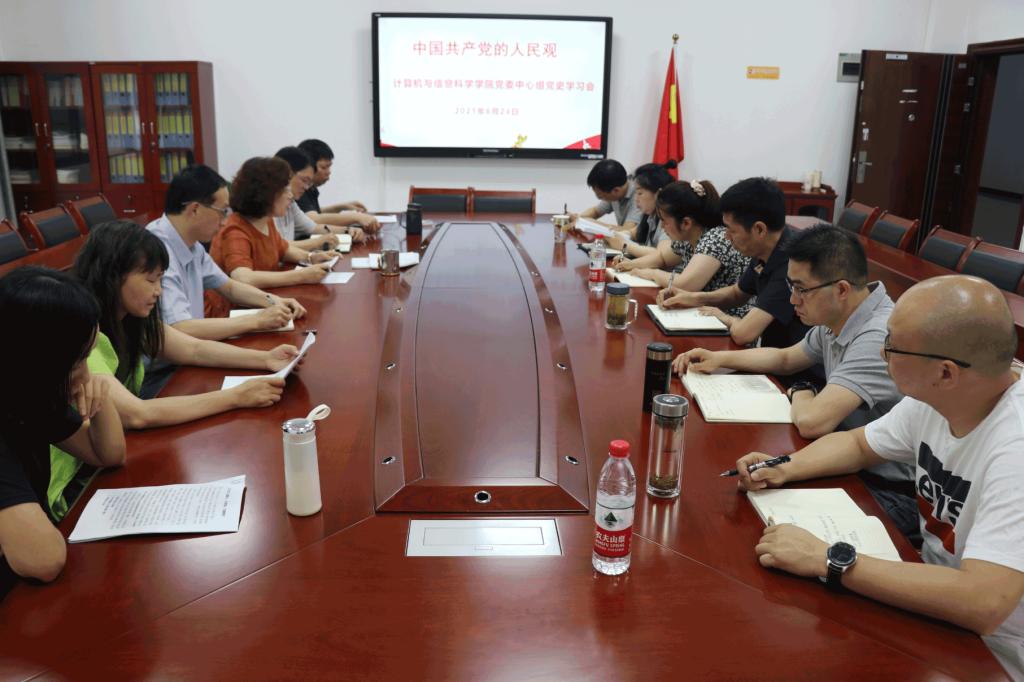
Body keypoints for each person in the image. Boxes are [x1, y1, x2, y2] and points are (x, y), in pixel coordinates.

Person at [736, 275, 1024, 679]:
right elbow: (858, 444)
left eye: (892, 346)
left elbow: (984, 601)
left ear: (945, 373)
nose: (881, 352)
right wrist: (782, 467)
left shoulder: (1014, 446)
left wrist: (825, 558)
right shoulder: (940, 397)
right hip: (930, 601)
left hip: (994, 653)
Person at [675, 224, 915, 537]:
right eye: (791, 287)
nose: (792, 300)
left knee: (751, 528)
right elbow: (787, 358)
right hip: (846, 459)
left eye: (801, 289)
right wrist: (720, 359)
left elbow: (813, 422)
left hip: (888, 489)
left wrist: (802, 390)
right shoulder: (842, 313)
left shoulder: (876, 335)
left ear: (842, 289)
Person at [0, 267, 126, 589]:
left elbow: (108, 454)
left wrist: (98, 396)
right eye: (76, 362)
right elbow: (43, 560)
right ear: (37, 361)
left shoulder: (30, 392)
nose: (85, 373)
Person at [146, 164, 308, 342]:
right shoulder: (155, 249)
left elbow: (228, 287)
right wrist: (256, 320)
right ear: (195, 209)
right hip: (176, 355)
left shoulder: (192, 245)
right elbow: (180, 327)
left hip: (195, 345)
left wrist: (274, 301)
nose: (224, 222)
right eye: (222, 212)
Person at [658, 177, 810, 351]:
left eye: (731, 230)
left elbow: (744, 333)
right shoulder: (765, 248)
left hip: (792, 363)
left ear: (759, 229)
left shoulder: (792, 263)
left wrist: (724, 317)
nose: (726, 236)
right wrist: (693, 298)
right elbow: (737, 293)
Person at [615, 180, 750, 317]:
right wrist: (631, 264)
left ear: (686, 223)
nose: (662, 226)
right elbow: (662, 258)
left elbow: (685, 284)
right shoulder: (688, 237)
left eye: (664, 221)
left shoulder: (715, 238)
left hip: (728, 318)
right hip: (703, 312)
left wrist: (650, 273)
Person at [210, 157, 336, 289]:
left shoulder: (266, 220)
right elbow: (243, 277)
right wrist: (301, 276)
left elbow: (283, 249)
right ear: (266, 193)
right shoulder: (235, 230)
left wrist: (310, 257)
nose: (290, 196)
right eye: (285, 190)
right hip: (236, 303)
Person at [273, 146, 364, 246]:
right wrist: (316, 243)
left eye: (309, 182)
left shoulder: (291, 203)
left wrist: (348, 230)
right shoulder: (267, 206)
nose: (306, 187)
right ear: (287, 174)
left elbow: (314, 227)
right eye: (304, 180)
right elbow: (279, 247)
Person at [295, 139, 379, 233]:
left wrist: (340, 207)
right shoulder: (299, 189)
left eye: (329, 166)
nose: (329, 172)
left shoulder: (311, 188)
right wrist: (356, 217)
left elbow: (312, 212)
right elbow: (313, 219)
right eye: (324, 167)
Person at [605, 162, 675, 260]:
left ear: (658, 194)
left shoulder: (670, 218)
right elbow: (634, 232)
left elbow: (662, 255)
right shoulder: (651, 215)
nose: (636, 199)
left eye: (640, 193)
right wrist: (617, 236)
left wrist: (625, 245)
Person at [570, 160, 643, 233]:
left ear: (616, 190)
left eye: (600, 196)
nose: (599, 198)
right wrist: (579, 218)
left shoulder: (639, 195)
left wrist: (590, 223)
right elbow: (596, 211)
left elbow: (628, 230)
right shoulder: (615, 188)